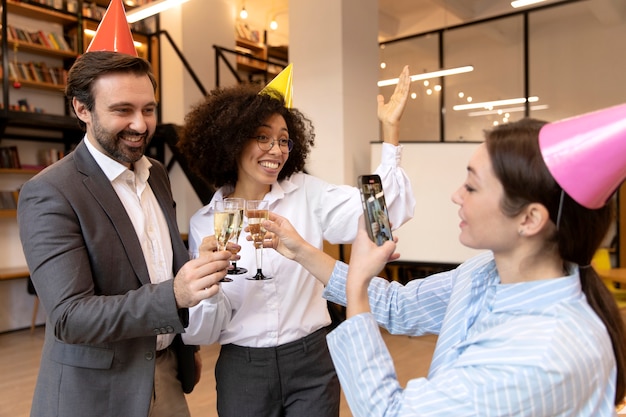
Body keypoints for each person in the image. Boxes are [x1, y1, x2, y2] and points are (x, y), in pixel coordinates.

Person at [262, 117, 626, 416]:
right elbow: (398, 305)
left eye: (472, 186)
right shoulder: (484, 272)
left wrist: (357, 287)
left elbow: (391, 413)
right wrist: (301, 251)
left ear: (530, 219)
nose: (456, 194)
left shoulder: (543, 354)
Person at [17, 4, 232, 415]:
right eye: (122, 111)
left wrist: (184, 338)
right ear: (83, 109)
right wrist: (175, 294)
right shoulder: (49, 192)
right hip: (96, 393)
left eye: (148, 109)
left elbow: (158, 261)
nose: (140, 124)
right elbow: (70, 317)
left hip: (167, 375)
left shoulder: (156, 175)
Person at [177, 65, 416, 416]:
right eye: (263, 137)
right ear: (232, 140)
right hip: (243, 368)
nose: (276, 149)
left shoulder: (305, 192)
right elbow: (206, 329)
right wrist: (209, 285)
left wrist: (390, 133)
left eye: (284, 139)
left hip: (312, 360)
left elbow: (377, 210)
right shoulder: (205, 223)